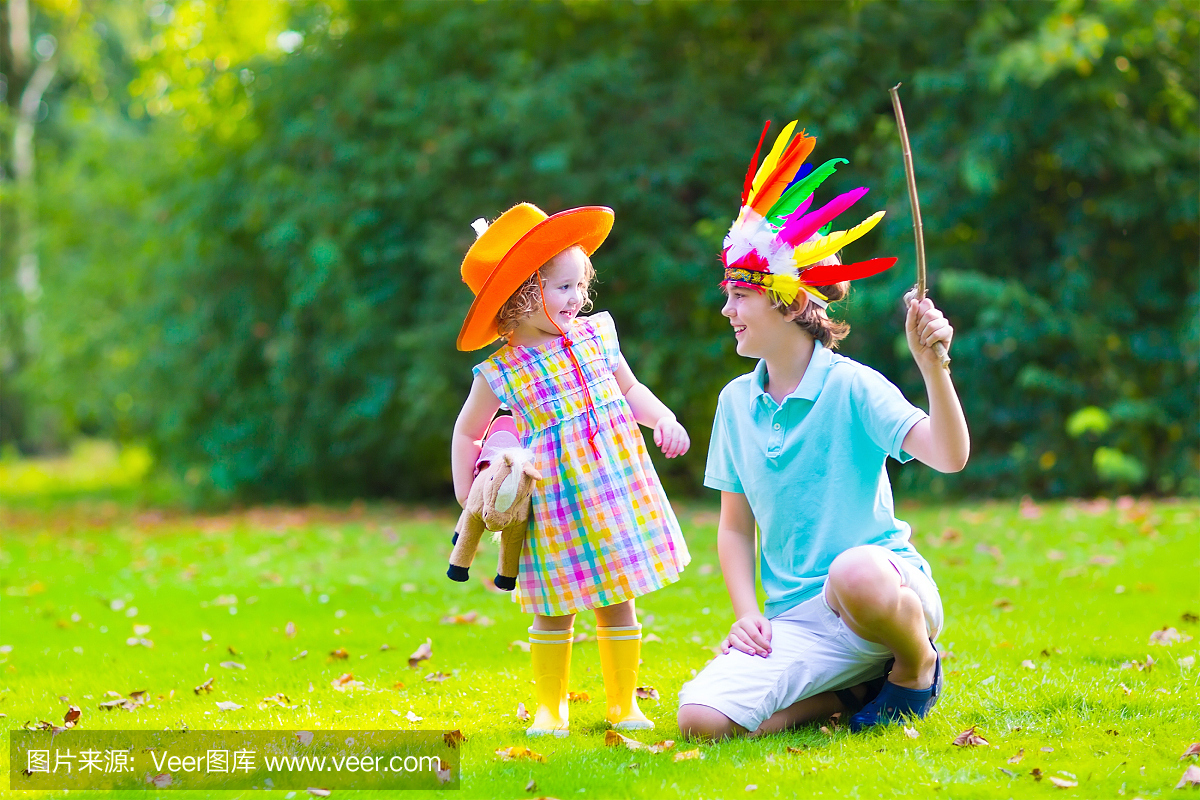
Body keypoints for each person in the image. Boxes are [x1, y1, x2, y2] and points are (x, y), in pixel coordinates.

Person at [676, 121, 969, 738]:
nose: (727, 311)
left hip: (882, 596)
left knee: (852, 572)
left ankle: (915, 666)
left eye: (737, 296)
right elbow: (735, 529)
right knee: (701, 719)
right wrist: (748, 614)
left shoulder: (853, 386)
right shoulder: (734, 404)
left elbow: (949, 455)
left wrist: (932, 368)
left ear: (784, 301)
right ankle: (856, 694)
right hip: (798, 621)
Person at [452, 202, 691, 737]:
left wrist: (663, 418)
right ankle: (550, 707)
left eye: (581, 286)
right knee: (553, 603)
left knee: (617, 595)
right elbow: (467, 431)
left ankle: (623, 702)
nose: (578, 298)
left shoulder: (596, 335)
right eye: (563, 287)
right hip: (555, 499)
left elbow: (629, 390)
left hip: (613, 486)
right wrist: (469, 492)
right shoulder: (501, 370)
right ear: (523, 293)